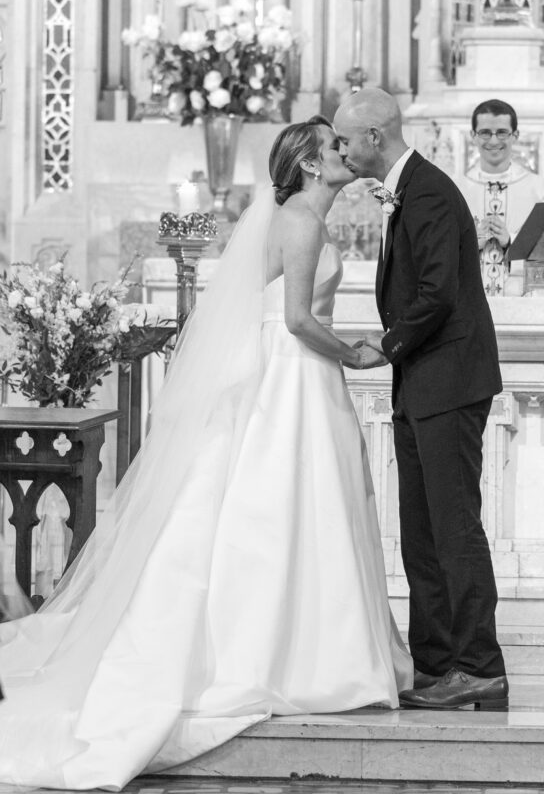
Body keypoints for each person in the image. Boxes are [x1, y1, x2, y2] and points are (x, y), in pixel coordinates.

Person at [0, 116, 412, 791]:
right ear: (308, 163)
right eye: (334, 147)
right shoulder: (303, 219)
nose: (346, 153)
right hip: (295, 377)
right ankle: (298, 657)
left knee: (285, 508)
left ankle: (306, 648)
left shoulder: (294, 213)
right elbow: (300, 321)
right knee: (289, 505)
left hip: (289, 376)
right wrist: (358, 353)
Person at [334, 88, 508, 711]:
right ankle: (435, 665)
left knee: (454, 527)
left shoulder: (429, 190)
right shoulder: (409, 189)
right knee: (422, 531)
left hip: (450, 380)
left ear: (375, 137)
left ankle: (479, 665)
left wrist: (388, 344)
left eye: (346, 139)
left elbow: (436, 292)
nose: (341, 149)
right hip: (425, 382)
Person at [458, 98, 544, 296]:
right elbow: (436, 252)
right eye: (485, 132)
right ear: (473, 136)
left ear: (515, 136)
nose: (494, 141)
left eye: (502, 132)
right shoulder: (454, 190)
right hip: (468, 301)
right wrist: (470, 243)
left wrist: (511, 241)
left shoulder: (542, 191)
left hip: (522, 303)